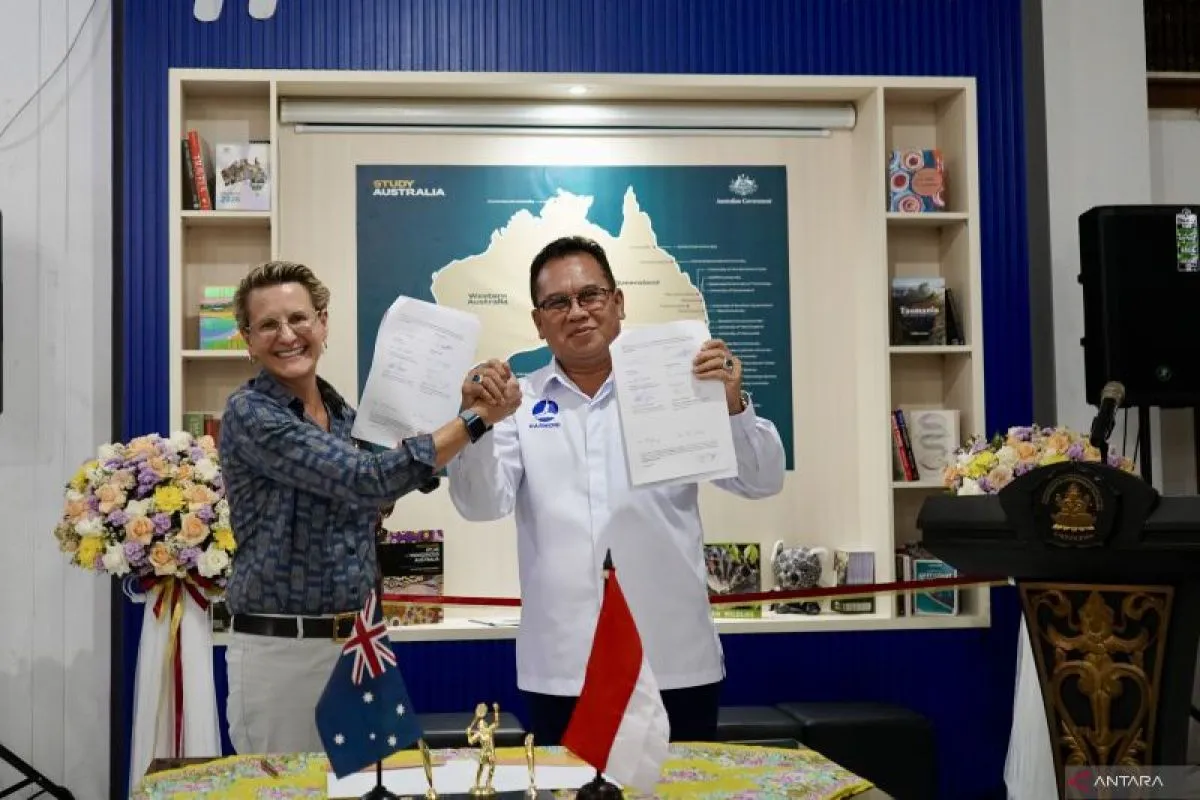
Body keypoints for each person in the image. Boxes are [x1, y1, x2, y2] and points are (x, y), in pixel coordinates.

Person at [447, 236, 786, 744]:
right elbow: (479, 504)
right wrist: (477, 422)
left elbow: (761, 480)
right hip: (564, 668)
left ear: (618, 302)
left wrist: (732, 405)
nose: (577, 312)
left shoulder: (680, 385)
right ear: (538, 322)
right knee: (567, 786)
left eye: (591, 295)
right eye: (557, 302)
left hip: (672, 661)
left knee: (680, 787)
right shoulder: (519, 403)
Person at [218, 260, 521, 754]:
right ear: (248, 340)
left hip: (360, 645)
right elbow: (369, 479)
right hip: (284, 654)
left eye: (298, 318)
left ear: (323, 324)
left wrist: (462, 408)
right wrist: (475, 419)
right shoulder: (251, 412)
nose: (287, 335)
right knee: (288, 789)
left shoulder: (340, 413)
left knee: (367, 785)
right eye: (268, 324)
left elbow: (391, 477)